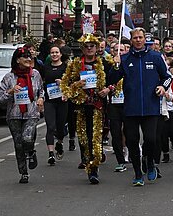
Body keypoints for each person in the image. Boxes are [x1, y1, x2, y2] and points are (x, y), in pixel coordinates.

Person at [108, 28, 171, 186]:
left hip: (151, 106)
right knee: (132, 140)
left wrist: (162, 87)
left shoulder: (155, 57)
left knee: (150, 139)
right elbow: (111, 79)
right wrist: (115, 66)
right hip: (130, 108)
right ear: (131, 40)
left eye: (140, 37)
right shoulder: (124, 58)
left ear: (145, 39)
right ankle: (137, 173)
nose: (137, 40)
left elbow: (167, 77)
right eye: (135, 37)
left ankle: (149, 163)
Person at [62, 35, 116, 184]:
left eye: (92, 45)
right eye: (87, 46)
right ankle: (87, 161)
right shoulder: (75, 65)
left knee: (95, 137)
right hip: (80, 106)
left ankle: (93, 169)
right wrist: (77, 85)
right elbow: (65, 86)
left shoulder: (105, 63)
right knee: (84, 140)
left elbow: (117, 81)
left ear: (97, 47)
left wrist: (107, 89)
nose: (90, 48)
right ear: (82, 48)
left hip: (98, 107)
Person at [0, 47, 44, 183]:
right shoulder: (9, 77)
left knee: (27, 138)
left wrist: (41, 99)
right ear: (18, 60)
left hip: (31, 112)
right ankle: (24, 172)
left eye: (30, 57)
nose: (29, 60)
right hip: (14, 114)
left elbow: (41, 90)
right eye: (25, 57)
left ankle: (31, 151)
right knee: (18, 144)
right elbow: (0, 97)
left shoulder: (35, 74)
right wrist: (11, 91)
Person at [41, 45, 69, 166]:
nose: (54, 55)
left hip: (62, 100)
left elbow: (72, 82)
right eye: (52, 53)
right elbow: (41, 82)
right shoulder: (45, 67)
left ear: (60, 54)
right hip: (49, 100)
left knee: (61, 127)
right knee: (50, 126)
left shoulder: (66, 67)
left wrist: (63, 83)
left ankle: (60, 142)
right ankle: (51, 154)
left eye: (56, 52)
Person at [106, 40, 130, 172]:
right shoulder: (108, 65)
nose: (119, 53)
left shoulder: (129, 64)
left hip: (127, 103)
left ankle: (130, 152)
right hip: (114, 103)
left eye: (121, 50)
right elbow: (106, 80)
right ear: (112, 52)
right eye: (116, 50)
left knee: (129, 132)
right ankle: (120, 160)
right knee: (115, 133)